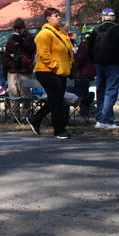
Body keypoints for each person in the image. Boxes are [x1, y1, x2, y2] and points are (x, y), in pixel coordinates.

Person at [26, 8, 74, 139]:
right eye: (56, 16)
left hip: (61, 71)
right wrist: (56, 66)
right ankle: (59, 130)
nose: (59, 18)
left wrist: (68, 67)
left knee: (55, 99)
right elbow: (44, 53)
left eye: (60, 16)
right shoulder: (44, 34)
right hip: (47, 71)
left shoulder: (61, 34)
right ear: (48, 18)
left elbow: (68, 52)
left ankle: (35, 119)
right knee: (57, 100)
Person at [88, 8, 119, 129]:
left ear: (103, 17)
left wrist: (95, 62)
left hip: (100, 65)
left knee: (100, 92)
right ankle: (107, 120)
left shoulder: (95, 31)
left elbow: (90, 50)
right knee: (111, 92)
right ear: (114, 17)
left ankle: (100, 119)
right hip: (114, 66)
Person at [3, 18, 36, 118]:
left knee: (25, 95)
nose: (17, 31)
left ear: (24, 28)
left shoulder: (30, 37)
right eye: (15, 29)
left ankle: (25, 116)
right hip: (12, 69)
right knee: (13, 94)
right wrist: (5, 67)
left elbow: (32, 50)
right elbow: (7, 53)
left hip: (25, 70)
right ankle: (14, 115)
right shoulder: (11, 39)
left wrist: (22, 41)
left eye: (19, 28)